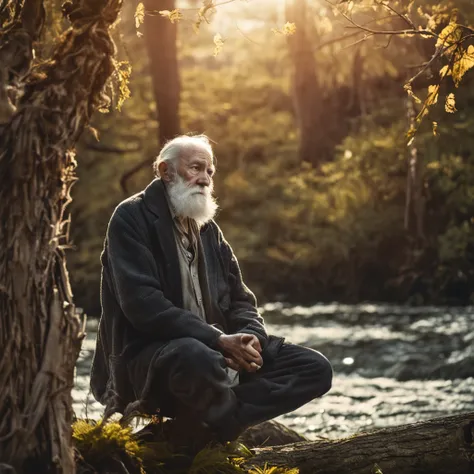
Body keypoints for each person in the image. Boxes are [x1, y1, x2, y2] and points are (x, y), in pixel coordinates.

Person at [90, 134, 332, 447]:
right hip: (155, 360)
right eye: (196, 168)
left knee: (314, 368)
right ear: (166, 171)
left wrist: (250, 338)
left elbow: (242, 300)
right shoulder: (130, 217)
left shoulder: (208, 229)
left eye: (210, 172)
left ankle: (215, 423)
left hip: (220, 355)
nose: (205, 178)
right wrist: (218, 340)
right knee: (196, 355)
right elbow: (144, 306)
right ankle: (219, 422)